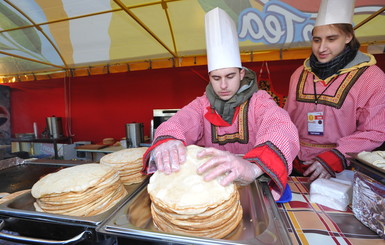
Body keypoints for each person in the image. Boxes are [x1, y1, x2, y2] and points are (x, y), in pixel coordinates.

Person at [142, 7, 299, 200]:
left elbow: (281, 127)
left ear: (241, 74)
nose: (223, 85)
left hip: (253, 188)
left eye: (230, 76)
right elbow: (179, 122)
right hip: (211, 192)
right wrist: (167, 141)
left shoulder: (259, 102)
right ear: (209, 77)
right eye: (216, 78)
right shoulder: (202, 105)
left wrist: (253, 166)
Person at [284, 0, 385, 181]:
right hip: (296, 165)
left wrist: (338, 155)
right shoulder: (299, 74)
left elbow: (375, 131)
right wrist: (288, 150)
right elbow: (286, 120)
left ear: (348, 37)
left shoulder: (372, 77)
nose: (321, 48)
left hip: (341, 170)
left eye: (331, 39)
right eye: (317, 40)